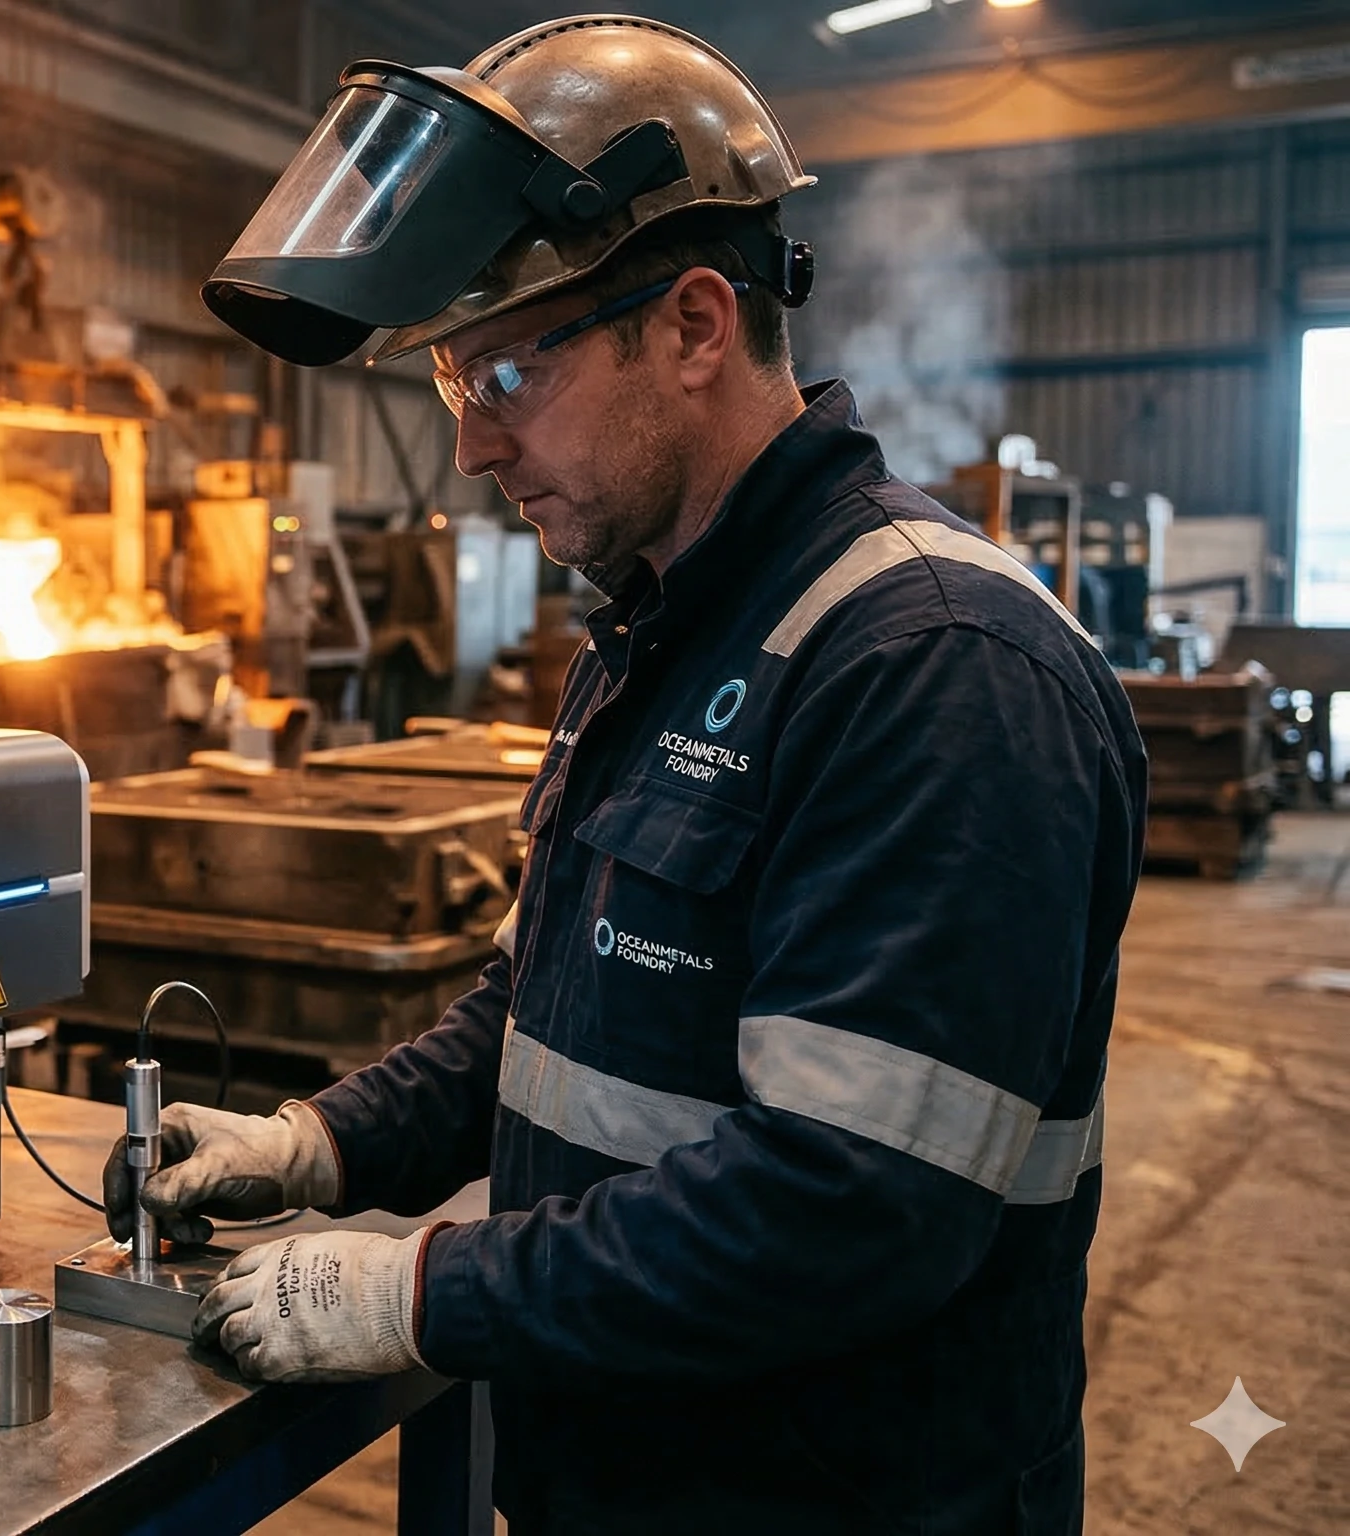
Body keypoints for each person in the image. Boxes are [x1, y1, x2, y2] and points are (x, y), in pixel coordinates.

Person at [117, 16, 1147, 1533]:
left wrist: (428, 1288)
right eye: (448, 385)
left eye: (505, 375)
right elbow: (551, 1015)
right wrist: (321, 1145)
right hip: (624, 1472)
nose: (471, 448)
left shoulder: (933, 667)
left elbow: (849, 1207)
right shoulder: (665, 627)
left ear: (694, 327)